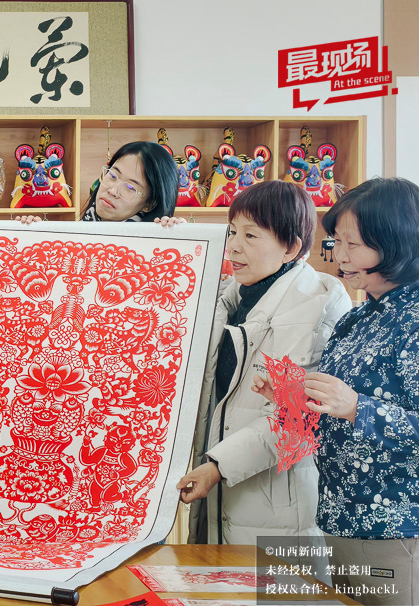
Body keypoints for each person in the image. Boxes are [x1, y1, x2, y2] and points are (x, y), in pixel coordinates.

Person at [254, 178, 419, 605]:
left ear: (397, 244)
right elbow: (332, 418)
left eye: (354, 245)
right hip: (340, 517)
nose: (340, 257)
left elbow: (358, 410)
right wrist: (293, 400)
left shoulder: (414, 321)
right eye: (337, 242)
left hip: (395, 527)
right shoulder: (357, 318)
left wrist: (357, 407)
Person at [179, 180, 351, 546]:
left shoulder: (315, 307)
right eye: (232, 231)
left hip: (276, 509)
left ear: (291, 247)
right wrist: (172, 239)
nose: (234, 246)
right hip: (217, 491)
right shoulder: (229, 297)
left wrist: (218, 466)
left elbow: (297, 419)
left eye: (251, 235)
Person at [18, 140, 183, 226]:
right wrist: (37, 233)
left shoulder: (153, 244)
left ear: (149, 204)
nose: (112, 190)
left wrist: (178, 235)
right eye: (113, 175)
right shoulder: (81, 230)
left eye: (130, 187)